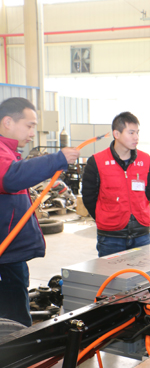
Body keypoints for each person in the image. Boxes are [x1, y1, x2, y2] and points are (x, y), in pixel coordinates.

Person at [0, 97, 79, 326]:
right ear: (8, 122)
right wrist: (57, 159)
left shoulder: (10, 152)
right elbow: (11, 177)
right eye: (29, 125)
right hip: (5, 254)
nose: (33, 133)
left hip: (10, 254)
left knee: (16, 311)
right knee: (13, 322)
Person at [82, 112, 150, 257]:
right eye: (131, 132)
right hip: (111, 237)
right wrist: (106, 217)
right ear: (116, 134)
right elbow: (89, 197)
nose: (136, 137)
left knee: (142, 271)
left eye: (137, 132)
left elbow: (148, 192)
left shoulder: (146, 160)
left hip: (141, 234)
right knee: (111, 272)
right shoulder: (96, 162)